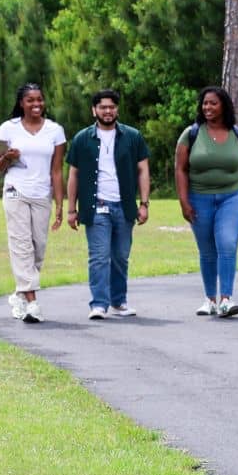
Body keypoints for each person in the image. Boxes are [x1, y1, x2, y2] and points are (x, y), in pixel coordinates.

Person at [174, 85, 238, 317]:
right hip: (199, 198)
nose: (208, 107)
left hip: (231, 198)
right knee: (207, 251)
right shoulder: (191, 134)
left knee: (227, 244)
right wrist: (184, 201)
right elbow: (181, 169)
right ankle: (209, 300)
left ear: (224, 105)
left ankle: (226, 299)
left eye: (213, 103)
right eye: (204, 103)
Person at [66, 89, 151, 320]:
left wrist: (144, 204)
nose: (107, 111)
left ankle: (119, 301)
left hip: (124, 206)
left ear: (117, 110)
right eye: (102, 107)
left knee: (121, 256)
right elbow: (73, 175)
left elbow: (143, 170)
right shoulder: (83, 138)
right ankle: (99, 304)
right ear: (94, 110)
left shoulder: (132, 136)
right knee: (99, 256)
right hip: (96, 207)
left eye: (111, 107)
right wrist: (71, 209)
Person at [0, 83, 66, 323]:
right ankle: (33, 302)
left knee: (38, 247)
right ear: (21, 104)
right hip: (16, 191)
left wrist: (59, 205)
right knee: (21, 244)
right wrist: (7, 157)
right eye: (30, 100)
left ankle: (19, 294)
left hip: (41, 194)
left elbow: (56, 171)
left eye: (40, 100)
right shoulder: (8, 128)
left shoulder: (55, 130)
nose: (36, 104)